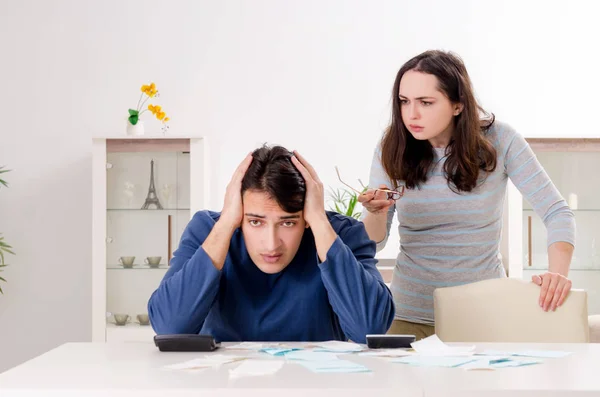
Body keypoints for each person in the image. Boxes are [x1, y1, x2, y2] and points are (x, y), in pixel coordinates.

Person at [358, 50, 575, 339]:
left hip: (484, 313)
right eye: (404, 101)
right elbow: (375, 242)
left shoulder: (501, 140)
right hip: (407, 315)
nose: (412, 114)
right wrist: (377, 212)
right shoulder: (392, 146)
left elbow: (556, 211)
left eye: (426, 102)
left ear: (458, 104)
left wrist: (557, 274)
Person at [148, 145, 394, 343]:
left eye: (288, 223)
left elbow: (369, 328)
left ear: (306, 216)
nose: (271, 244)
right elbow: (170, 328)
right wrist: (225, 224)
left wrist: (319, 221)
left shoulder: (341, 234)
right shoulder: (208, 230)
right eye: (256, 222)